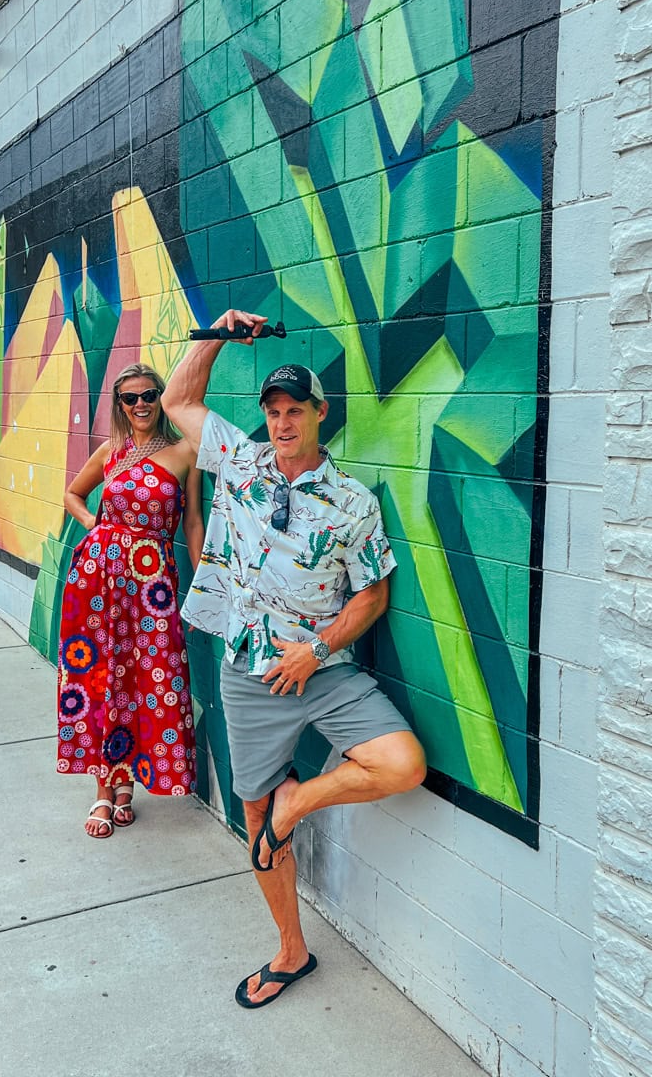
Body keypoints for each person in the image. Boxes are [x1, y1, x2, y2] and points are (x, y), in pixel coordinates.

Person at [162, 310, 426, 1009]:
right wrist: (215, 333)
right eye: (273, 411)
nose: (282, 423)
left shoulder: (351, 503)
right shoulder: (239, 463)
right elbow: (176, 402)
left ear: (319, 413)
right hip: (248, 673)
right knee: (255, 818)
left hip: (323, 671)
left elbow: (371, 596)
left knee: (402, 764)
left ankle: (296, 802)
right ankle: (291, 949)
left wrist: (316, 650)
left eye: (294, 410)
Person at [57, 361, 204, 837]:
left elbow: (193, 524)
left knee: (145, 679)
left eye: (149, 394)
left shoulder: (185, 453)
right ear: (119, 405)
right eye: (130, 397)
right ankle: (105, 789)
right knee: (102, 677)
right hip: (97, 581)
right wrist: (95, 531)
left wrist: (204, 585)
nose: (140, 404)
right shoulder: (110, 452)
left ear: (162, 397)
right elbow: (73, 495)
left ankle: (128, 785)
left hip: (152, 585)